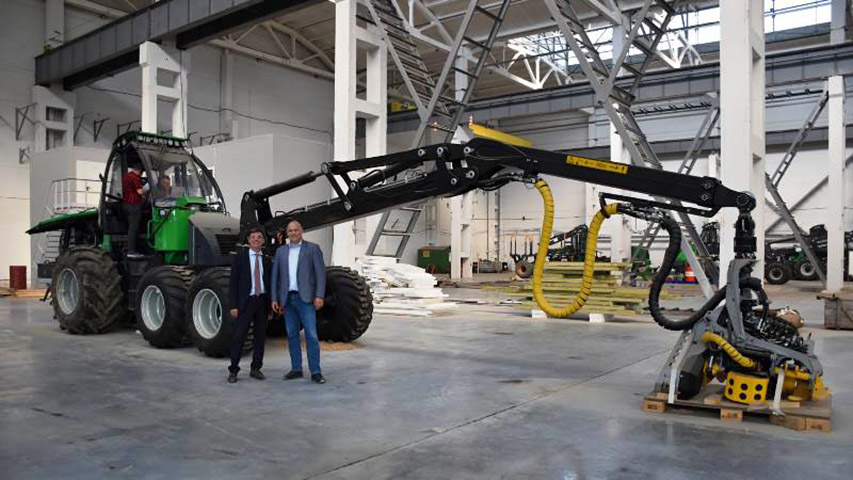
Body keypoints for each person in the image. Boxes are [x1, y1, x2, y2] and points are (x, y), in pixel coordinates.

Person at [271, 220, 327, 384]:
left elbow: (320, 274)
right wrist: (274, 298)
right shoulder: (281, 251)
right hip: (287, 299)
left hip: (306, 299)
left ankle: (316, 371)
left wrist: (319, 295)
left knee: (311, 335)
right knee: (291, 335)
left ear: (301, 231)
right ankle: (296, 369)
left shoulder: (313, 249)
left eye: (296, 230)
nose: (293, 233)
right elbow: (275, 276)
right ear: (287, 233)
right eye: (290, 231)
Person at [227, 227, 272, 383]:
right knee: (239, 336)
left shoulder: (267, 259)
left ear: (263, 241)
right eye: (253, 237)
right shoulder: (240, 258)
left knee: (260, 337)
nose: (256, 240)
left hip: (262, 302)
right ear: (248, 240)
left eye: (259, 237)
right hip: (246, 302)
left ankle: (256, 368)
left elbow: (269, 282)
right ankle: (233, 370)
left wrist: (270, 306)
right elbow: (233, 283)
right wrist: (233, 305)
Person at [122, 162, 146, 257]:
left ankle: (130, 249)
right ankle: (131, 251)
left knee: (131, 228)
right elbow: (140, 192)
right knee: (134, 228)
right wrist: (147, 188)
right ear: (140, 170)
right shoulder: (134, 178)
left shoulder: (126, 176)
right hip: (134, 205)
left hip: (126, 204)